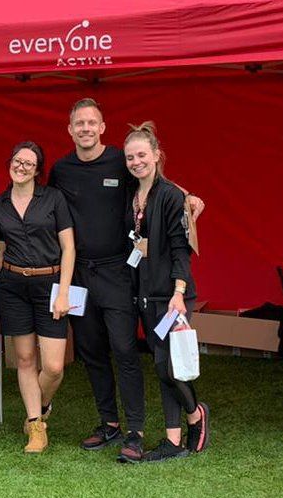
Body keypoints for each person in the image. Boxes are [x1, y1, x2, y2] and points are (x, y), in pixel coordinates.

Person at [47, 98, 203, 452]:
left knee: (124, 349)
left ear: (102, 128)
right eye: (79, 123)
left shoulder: (121, 160)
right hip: (79, 275)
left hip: (118, 272)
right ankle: (109, 424)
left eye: (92, 123)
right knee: (91, 351)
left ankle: (135, 431)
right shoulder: (61, 170)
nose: (85, 129)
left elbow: (154, 181)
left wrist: (187, 196)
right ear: (70, 130)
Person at [120, 122, 209, 462]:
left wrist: (179, 291)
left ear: (156, 155)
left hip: (170, 296)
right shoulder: (132, 193)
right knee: (161, 366)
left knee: (170, 367)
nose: (136, 161)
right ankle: (173, 441)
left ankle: (195, 414)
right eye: (130, 157)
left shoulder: (170, 195)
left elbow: (180, 247)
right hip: (145, 294)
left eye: (142, 155)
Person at [0, 141, 74, 453]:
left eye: (29, 163)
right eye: (17, 160)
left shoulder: (53, 198)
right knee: (25, 359)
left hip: (50, 283)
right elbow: (0, 249)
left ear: (38, 170)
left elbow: (69, 247)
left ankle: (42, 407)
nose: (21, 166)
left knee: (53, 367)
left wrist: (64, 291)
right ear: (10, 164)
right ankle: (36, 426)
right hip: (12, 285)